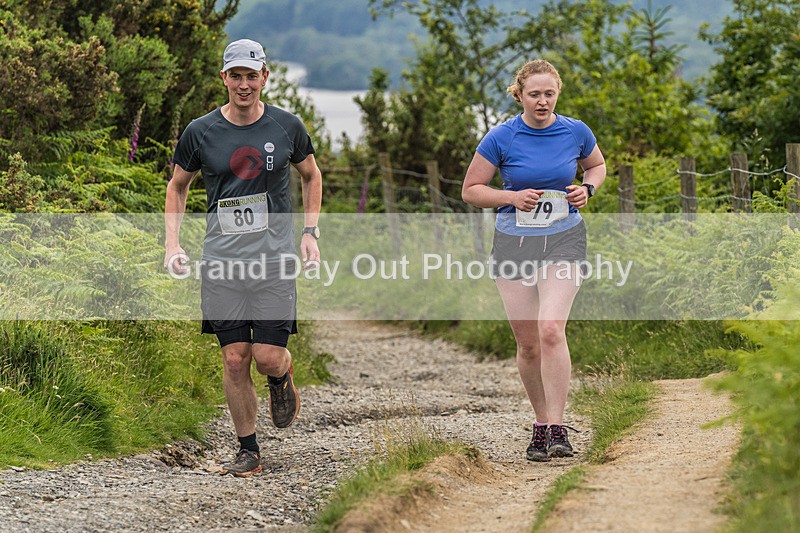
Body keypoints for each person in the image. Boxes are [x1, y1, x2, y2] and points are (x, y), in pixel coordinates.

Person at [164, 39, 323, 477]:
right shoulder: (201, 131)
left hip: (273, 261)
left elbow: (311, 175)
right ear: (224, 79)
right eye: (236, 75)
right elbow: (178, 186)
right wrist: (172, 244)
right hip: (221, 261)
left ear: (265, 78)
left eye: (252, 76)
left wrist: (309, 232)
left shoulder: (286, 127)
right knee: (235, 357)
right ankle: (248, 449)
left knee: (267, 355)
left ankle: (281, 375)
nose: (244, 84)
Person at [462, 59, 606, 462]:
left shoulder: (575, 131)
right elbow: (471, 190)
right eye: (534, 94)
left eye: (549, 94)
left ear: (557, 93)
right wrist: (511, 197)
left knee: (549, 330)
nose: (542, 101)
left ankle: (558, 427)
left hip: (564, 239)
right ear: (520, 95)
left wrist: (587, 190)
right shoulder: (501, 137)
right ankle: (540, 424)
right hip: (514, 244)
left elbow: (596, 165)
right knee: (527, 345)